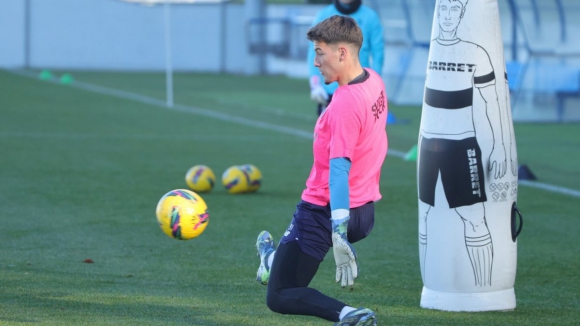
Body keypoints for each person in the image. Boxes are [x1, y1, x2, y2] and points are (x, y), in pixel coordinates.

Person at [255, 15, 388, 326]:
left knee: (280, 294)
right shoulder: (374, 79)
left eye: (319, 52)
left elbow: (339, 170)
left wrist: (338, 232)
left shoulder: (344, 104)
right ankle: (270, 258)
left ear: (341, 53)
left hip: (324, 214)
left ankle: (348, 315)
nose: (315, 62)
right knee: (285, 264)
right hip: (364, 214)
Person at [418, 0, 508, 286]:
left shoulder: (477, 52)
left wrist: (500, 146)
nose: (446, 16)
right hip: (428, 144)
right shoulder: (431, 49)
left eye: (453, 9)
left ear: (462, 12)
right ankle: (433, 284)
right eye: (441, 9)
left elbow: (492, 100)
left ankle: (485, 289)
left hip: (461, 145)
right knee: (425, 215)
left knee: (474, 217)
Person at [308, 0, 385, 116]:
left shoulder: (371, 17)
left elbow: (378, 53)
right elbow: (313, 52)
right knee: (328, 133)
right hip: (330, 91)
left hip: (360, 91)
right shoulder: (323, 15)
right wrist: (315, 84)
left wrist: (373, 84)